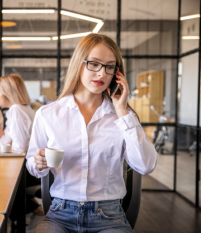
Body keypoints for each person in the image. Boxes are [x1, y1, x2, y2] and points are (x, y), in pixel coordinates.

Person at [26, 34, 159, 233]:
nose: (101, 74)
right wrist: (37, 162)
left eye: (109, 67)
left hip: (109, 216)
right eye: (94, 64)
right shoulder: (48, 114)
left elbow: (146, 165)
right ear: (78, 64)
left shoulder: (123, 116)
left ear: (117, 73)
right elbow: (32, 165)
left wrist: (122, 110)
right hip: (60, 214)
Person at [0, 74, 44, 227]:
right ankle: (30, 207)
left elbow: (21, 149)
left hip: (27, 169)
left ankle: (27, 211)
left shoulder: (16, 110)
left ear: (8, 92)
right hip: (29, 166)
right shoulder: (21, 109)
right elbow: (4, 142)